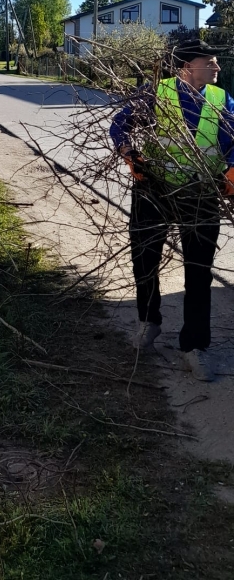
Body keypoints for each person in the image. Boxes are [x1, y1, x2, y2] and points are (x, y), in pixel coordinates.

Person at [110, 39, 234, 381]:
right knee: (144, 258)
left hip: (201, 193)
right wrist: (129, 154)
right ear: (188, 66)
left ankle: (195, 347)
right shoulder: (156, 93)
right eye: (210, 61)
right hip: (154, 189)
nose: (217, 67)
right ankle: (148, 322)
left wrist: (233, 169)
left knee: (199, 270)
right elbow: (120, 125)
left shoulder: (221, 99)